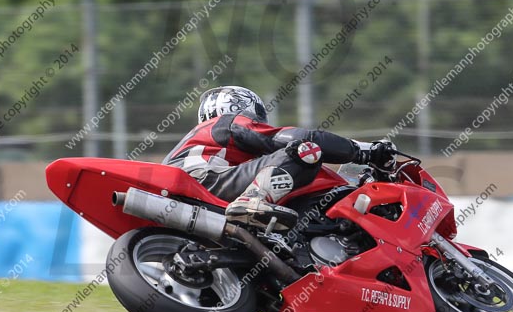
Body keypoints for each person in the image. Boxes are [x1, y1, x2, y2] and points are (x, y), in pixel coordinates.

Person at [162, 86, 394, 230]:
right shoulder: (226, 123)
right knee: (304, 150)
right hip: (207, 180)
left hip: (192, 191)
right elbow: (302, 137)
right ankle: (251, 201)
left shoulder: (204, 142)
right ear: (242, 107)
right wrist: (364, 151)